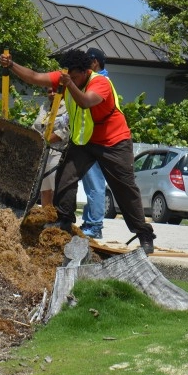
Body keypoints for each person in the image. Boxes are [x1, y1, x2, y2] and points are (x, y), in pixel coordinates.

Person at [0, 48, 156, 254]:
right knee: (65, 176)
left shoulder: (100, 83)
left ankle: (144, 234)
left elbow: (85, 102)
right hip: (84, 141)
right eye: (68, 76)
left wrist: (68, 83)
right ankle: (64, 220)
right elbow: (36, 77)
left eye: (75, 77)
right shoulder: (67, 76)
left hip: (114, 142)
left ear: (86, 71)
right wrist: (11, 65)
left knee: (125, 189)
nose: (71, 79)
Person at [80, 48, 109, 239]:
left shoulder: (100, 82)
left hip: (96, 140)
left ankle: (94, 225)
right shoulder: (95, 81)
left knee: (95, 184)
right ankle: (90, 222)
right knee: (91, 184)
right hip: (90, 140)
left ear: (95, 62)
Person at [31, 90, 68, 207]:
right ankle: (46, 217)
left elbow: (65, 131)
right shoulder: (44, 106)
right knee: (44, 188)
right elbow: (36, 125)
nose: (52, 93)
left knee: (54, 186)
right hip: (41, 151)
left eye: (55, 91)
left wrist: (45, 140)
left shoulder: (68, 107)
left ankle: (56, 218)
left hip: (57, 151)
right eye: (49, 91)